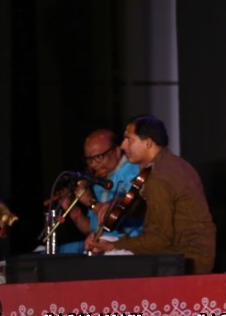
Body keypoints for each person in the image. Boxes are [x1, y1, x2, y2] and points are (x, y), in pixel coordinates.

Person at [84, 115, 216, 274]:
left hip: (187, 258)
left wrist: (112, 245)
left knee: (109, 262)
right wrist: (116, 203)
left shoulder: (159, 177)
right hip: (189, 253)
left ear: (148, 142)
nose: (123, 145)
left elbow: (159, 240)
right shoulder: (169, 164)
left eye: (129, 140)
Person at [56, 128, 143, 254]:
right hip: (105, 241)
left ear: (117, 151)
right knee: (53, 253)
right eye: (89, 159)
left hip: (129, 242)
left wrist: (90, 202)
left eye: (98, 157)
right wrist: (73, 210)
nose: (93, 165)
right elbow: (93, 229)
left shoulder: (133, 171)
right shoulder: (98, 181)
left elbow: (116, 219)